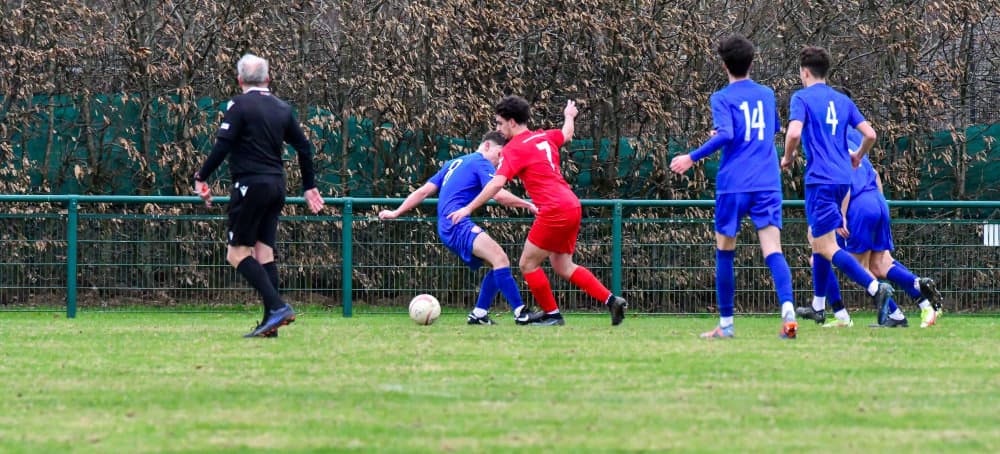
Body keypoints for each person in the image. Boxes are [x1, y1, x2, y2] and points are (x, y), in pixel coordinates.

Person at [446, 95, 628, 326]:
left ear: (512, 122)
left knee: (527, 264)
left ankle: (552, 315)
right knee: (563, 265)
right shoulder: (544, 136)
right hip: (571, 205)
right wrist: (569, 116)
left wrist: (468, 208)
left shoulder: (514, 149)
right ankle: (611, 301)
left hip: (554, 208)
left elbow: (496, 184)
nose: (497, 128)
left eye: (499, 123)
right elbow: (567, 133)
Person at [669, 35, 798, 339]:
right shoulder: (767, 94)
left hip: (734, 183)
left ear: (724, 65)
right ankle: (788, 311)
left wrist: (691, 157)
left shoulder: (722, 97)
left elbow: (727, 134)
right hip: (767, 182)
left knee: (725, 250)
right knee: (773, 249)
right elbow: (770, 129)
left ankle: (726, 325)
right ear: (752, 63)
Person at [194, 53, 325, 338]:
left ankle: (278, 308)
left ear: (239, 80)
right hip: (277, 186)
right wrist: (309, 186)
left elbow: (222, 146)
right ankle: (270, 324)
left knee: (236, 254)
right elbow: (304, 148)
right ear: (268, 78)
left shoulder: (238, 105)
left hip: (250, 186)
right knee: (263, 253)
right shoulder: (282, 107)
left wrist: (201, 177)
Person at [780, 46, 894, 323]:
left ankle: (874, 288)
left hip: (820, 179)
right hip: (843, 180)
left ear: (804, 72)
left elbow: (793, 133)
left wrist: (788, 157)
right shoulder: (842, 100)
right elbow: (870, 134)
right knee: (818, 240)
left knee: (827, 246)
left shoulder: (801, 98)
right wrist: (858, 156)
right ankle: (819, 307)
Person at [797, 113, 943, 328]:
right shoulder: (852, 138)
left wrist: (842, 215)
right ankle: (922, 303)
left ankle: (846, 314)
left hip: (857, 206)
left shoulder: (827, 144)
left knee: (854, 266)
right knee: (881, 263)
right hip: (877, 200)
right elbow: (874, 174)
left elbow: (845, 184)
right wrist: (880, 208)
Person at [378, 131, 537, 325]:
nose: (499, 162)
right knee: (500, 258)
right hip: (457, 223)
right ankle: (521, 313)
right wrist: (527, 204)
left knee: (497, 263)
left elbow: (423, 191)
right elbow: (498, 194)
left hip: (446, 226)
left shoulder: (454, 163)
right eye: (499, 155)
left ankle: (479, 314)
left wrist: (396, 212)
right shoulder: (481, 162)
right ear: (487, 146)